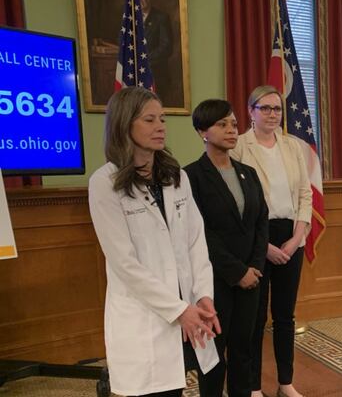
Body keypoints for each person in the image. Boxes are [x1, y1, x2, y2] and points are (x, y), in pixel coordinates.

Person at [88, 87, 221, 397]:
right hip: (147, 317)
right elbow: (124, 263)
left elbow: (196, 242)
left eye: (162, 119)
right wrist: (178, 310)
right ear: (124, 124)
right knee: (153, 391)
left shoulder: (176, 177)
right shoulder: (105, 183)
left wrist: (203, 294)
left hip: (188, 309)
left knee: (185, 384)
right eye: (149, 120)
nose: (161, 126)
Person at [184, 99, 269, 397]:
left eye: (233, 123)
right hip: (214, 282)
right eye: (222, 124)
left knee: (245, 352)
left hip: (252, 278)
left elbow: (261, 221)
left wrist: (255, 266)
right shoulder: (190, 177)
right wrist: (237, 272)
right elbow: (200, 233)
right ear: (202, 132)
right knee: (214, 357)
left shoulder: (248, 172)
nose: (232, 130)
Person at [230, 85, 311, 397]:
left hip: (292, 238)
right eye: (265, 108)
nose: (273, 114)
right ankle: (252, 387)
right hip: (255, 241)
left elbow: (305, 194)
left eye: (277, 108)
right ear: (251, 111)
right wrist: (264, 247)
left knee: (285, 316)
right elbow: (235, 203)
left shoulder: (292, 146)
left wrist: (297, 237)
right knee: (254, 317)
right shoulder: (238, 147)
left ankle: (285, 382)